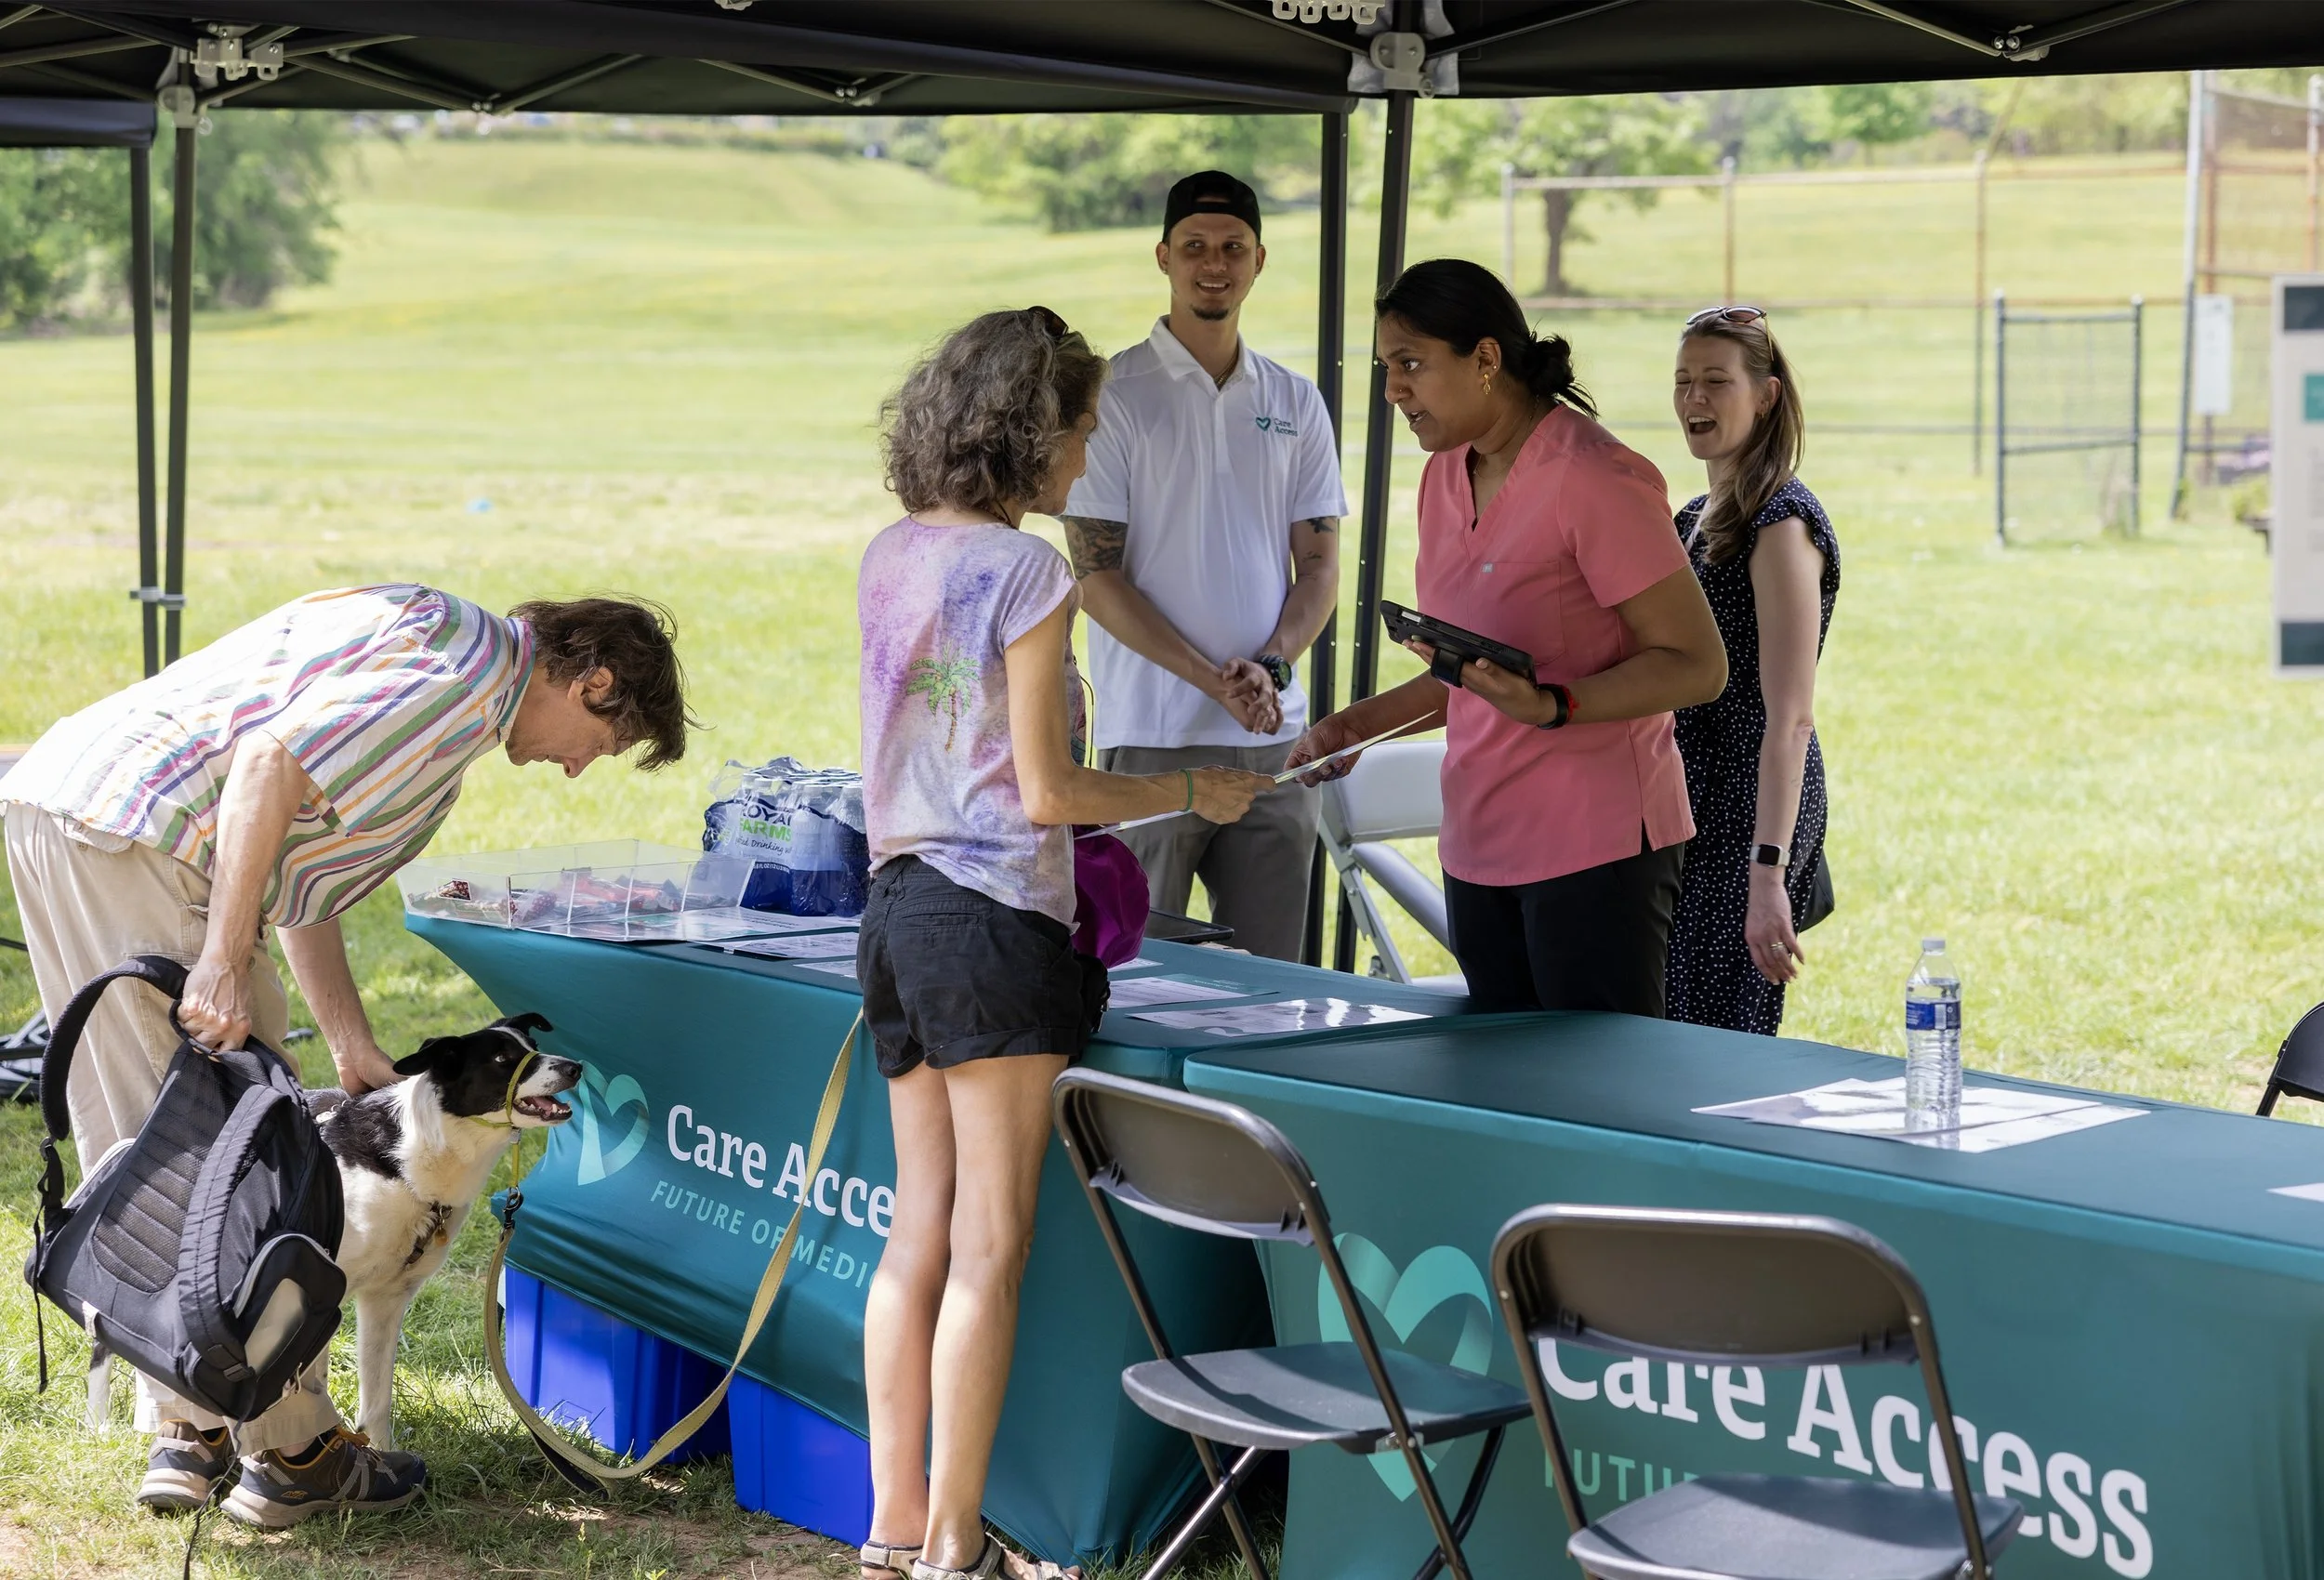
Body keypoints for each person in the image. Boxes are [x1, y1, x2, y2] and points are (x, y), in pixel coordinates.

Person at [0, 586, 693, 1524]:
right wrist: (220, 955)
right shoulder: (458, 687)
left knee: (161, 1134)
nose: (578, 768)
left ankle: (196, 1425)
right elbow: (265, 768)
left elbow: (300, 861)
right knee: (229, 1156)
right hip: (138, 832)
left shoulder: (456, 649)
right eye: (602, 744)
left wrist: (347, 1037)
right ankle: (283, 1445)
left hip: (76, 801)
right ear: (596, 684)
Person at [854, 307, 1270, 1580]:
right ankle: (957, 1543)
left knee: (915, 1229)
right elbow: (1047, 792)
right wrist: (1191, 790)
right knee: (991, 1245)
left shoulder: (890, 549)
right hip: (991, 926)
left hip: (894, 911)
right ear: (1030, 435)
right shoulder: (1029, 574)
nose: (1086, 459)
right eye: (1081, 432)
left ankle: (893, 1528)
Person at [1286, 258, 1727, 1016]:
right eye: (1387, 367)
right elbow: (1474, 674)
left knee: (1590, 1100)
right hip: (1478, 844)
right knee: (1503, 1092)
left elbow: (1697, 665)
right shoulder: (1444, 473)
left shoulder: (1596, 478)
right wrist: (1359, 725)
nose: (1393, 390)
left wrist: (1557, 704)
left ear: (1486, 360)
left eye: (1411, 365)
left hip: (1596, 846)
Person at [1059, 170, 1345, 960]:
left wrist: (1272, 668)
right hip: (1149, 737)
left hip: (1270, 738)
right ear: (1163, 256)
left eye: (1232, 248)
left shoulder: (1295, 400)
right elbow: (1096, 577)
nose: (1212, 264)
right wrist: (1209, 678)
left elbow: (1319, 564)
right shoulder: (1112, 395)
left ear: (1259, 260)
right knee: (1131, 971)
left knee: (1275, 982)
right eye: (1194, 247)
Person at [1663, 307, 1839, 1034]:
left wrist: (1765, 874)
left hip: (1748, 800)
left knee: (1713, 1029)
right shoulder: (1692, 517)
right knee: (1668, 1018)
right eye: (1682, 381)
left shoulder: (1782, 523)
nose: (1693, 399)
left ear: (1765, 396)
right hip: (1682, 794)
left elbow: (1789, 718)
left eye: (1715, 381)